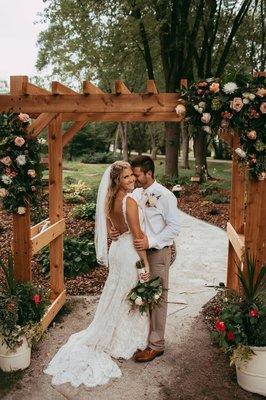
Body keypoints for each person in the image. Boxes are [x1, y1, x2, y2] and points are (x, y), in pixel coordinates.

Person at [44, 161, 150, 387]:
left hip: (117, 250)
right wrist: (146, 265)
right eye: (126, 178)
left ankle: (111, 330)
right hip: (129, 252)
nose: (131, 180)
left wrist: (116, 232)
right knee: (127, 295)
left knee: (117, 293)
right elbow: (138, 237)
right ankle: (121, 338)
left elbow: (114, 228)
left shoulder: (109, 199)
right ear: (117, 181)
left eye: (132, 175)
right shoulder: (129, 201)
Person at [110, 155, 179, 362]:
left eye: (137, 174)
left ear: (149, 173)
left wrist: (151, 242)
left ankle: (156, 345)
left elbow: (174, 227)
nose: (134, 178)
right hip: (137, 252)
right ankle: (143, 336)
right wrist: (116, 232)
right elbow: (128, 220)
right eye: (131, 175)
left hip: (157, 251)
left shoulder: (165, 196)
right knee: (141, 295)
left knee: (157, 296)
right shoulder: (138, 193)